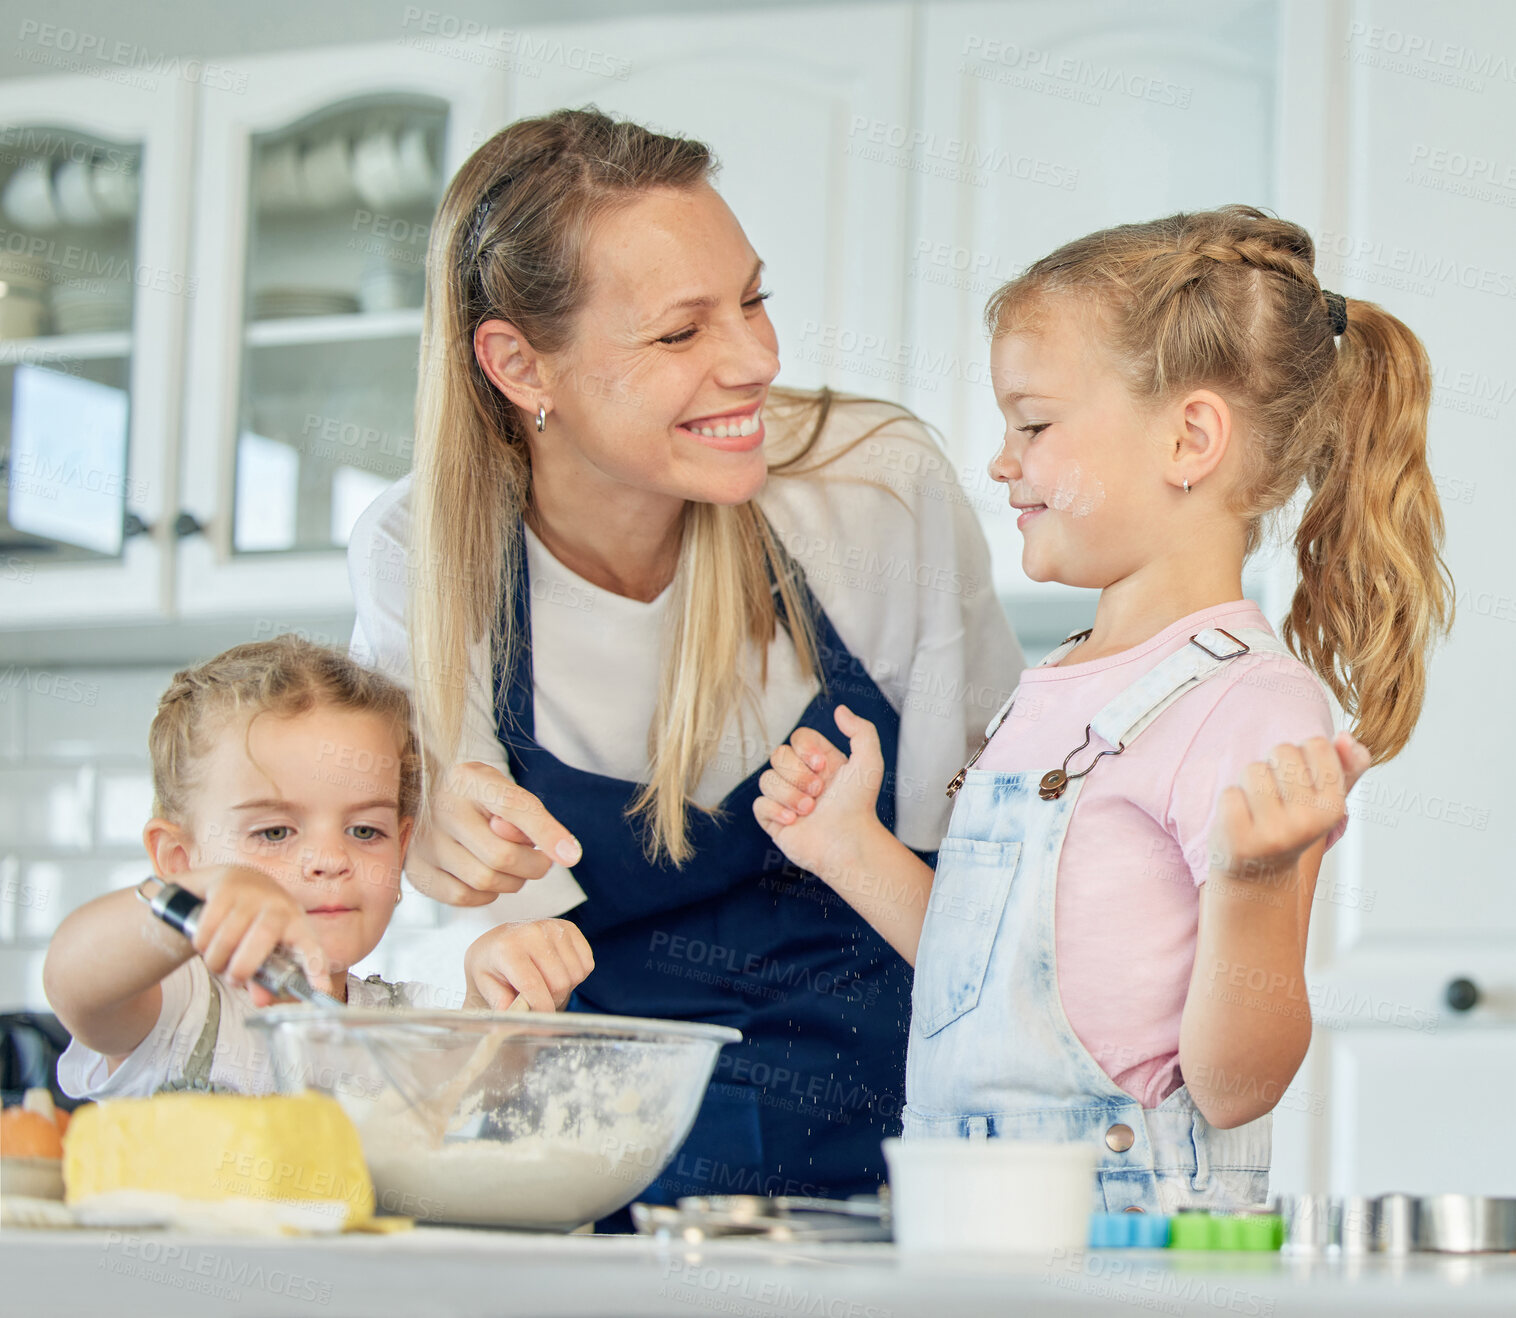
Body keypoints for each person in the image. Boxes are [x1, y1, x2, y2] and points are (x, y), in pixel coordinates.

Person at [346, 108, 1020, 1212]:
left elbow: (992, 876)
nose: (755, 360)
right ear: (519, 363)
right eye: (679, 333)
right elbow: (453, 923)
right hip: (584, 1183)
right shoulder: (421, 552)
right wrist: (443, 857)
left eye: (753, 300)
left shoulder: (873, 487)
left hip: (898, 1171)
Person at [755, 204, 1454, 1212]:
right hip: (973, 1226)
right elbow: (996, 976)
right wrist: (847, 846)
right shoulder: (1058, 681)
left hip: (1127, 1250)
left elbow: (1239, 1084)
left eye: (1033, 423)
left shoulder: (1248, 703)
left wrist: (1254, 884)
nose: (1003, 460)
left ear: (1189, 437)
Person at [44, 636, 592, 1099]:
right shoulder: (175, 1010)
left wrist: (494, 994)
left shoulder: (401, 1025)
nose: (330, 860)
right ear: (179, 861)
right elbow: (77, 982)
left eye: (364, 831)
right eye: (275, 832)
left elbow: (469, 1097)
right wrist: (190, 902)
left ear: (401, 851)